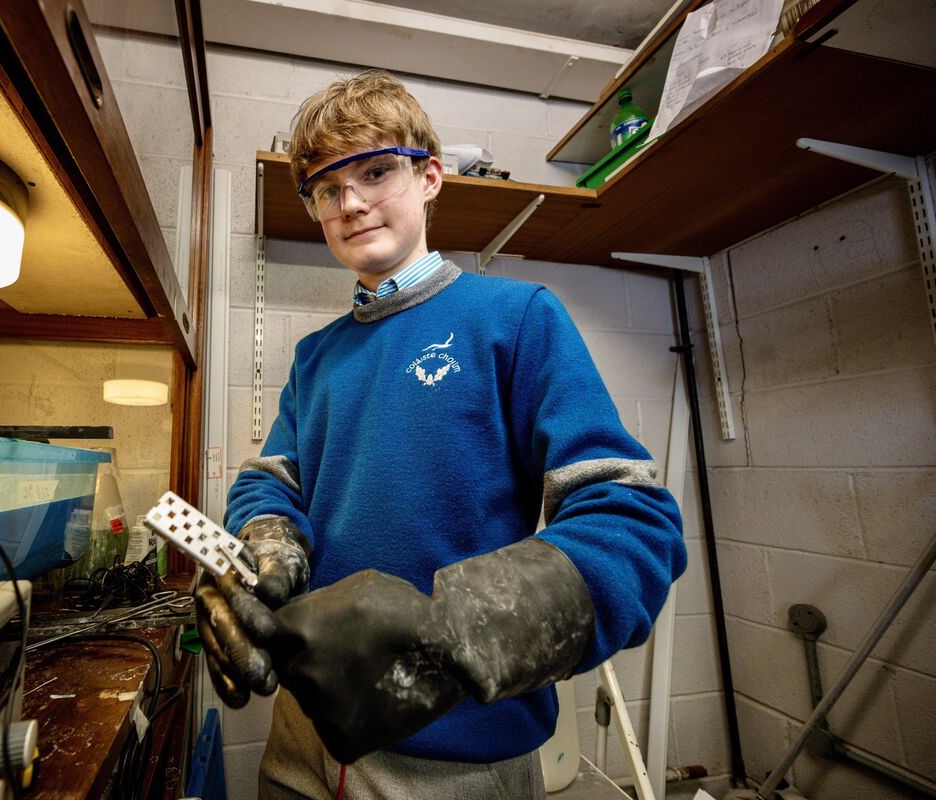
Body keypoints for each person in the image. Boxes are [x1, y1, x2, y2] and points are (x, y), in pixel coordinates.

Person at [195, 69, 686, 799]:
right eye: (327, 189)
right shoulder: (314, 357)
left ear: (430, 178)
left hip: (460, 757)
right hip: (301, 741)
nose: (351, 201)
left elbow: (637, 527)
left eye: (374, 171)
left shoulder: (517, 317)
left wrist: (447, 631)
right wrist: (265, 539)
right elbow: (274, 479)